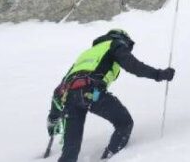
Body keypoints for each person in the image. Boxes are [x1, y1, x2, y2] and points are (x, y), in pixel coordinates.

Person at [46, 29, 175, 161]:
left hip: (70, 99)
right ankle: (109, 158)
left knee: (70, 151)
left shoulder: (86, 54)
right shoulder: (115, 44)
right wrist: (159, 74)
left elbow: (60, 90)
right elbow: (133, 66)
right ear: (123, 39)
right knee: (124, 123)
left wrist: (53, 118)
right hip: (92, 93)